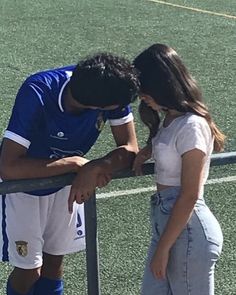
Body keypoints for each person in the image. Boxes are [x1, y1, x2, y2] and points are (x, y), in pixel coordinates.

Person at [0, 53, 139, 295]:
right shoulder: (39, 91)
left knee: (54, 263)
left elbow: (129, 147)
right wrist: (74, 164)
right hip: (22, 188)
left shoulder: (108, 85)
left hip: (66, 184)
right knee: (29, 270)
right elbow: (8, 166)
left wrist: (98, 166)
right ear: (97, 107)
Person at [133, 43, 225, 295]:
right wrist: (146, 151)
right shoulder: (171, 118)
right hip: (170, 224)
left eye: (145, 89)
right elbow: (170, 144)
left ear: (162, 84)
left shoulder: (192, 125)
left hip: (188, 229)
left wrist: (163, 249)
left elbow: (190, 194)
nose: (141, 96)